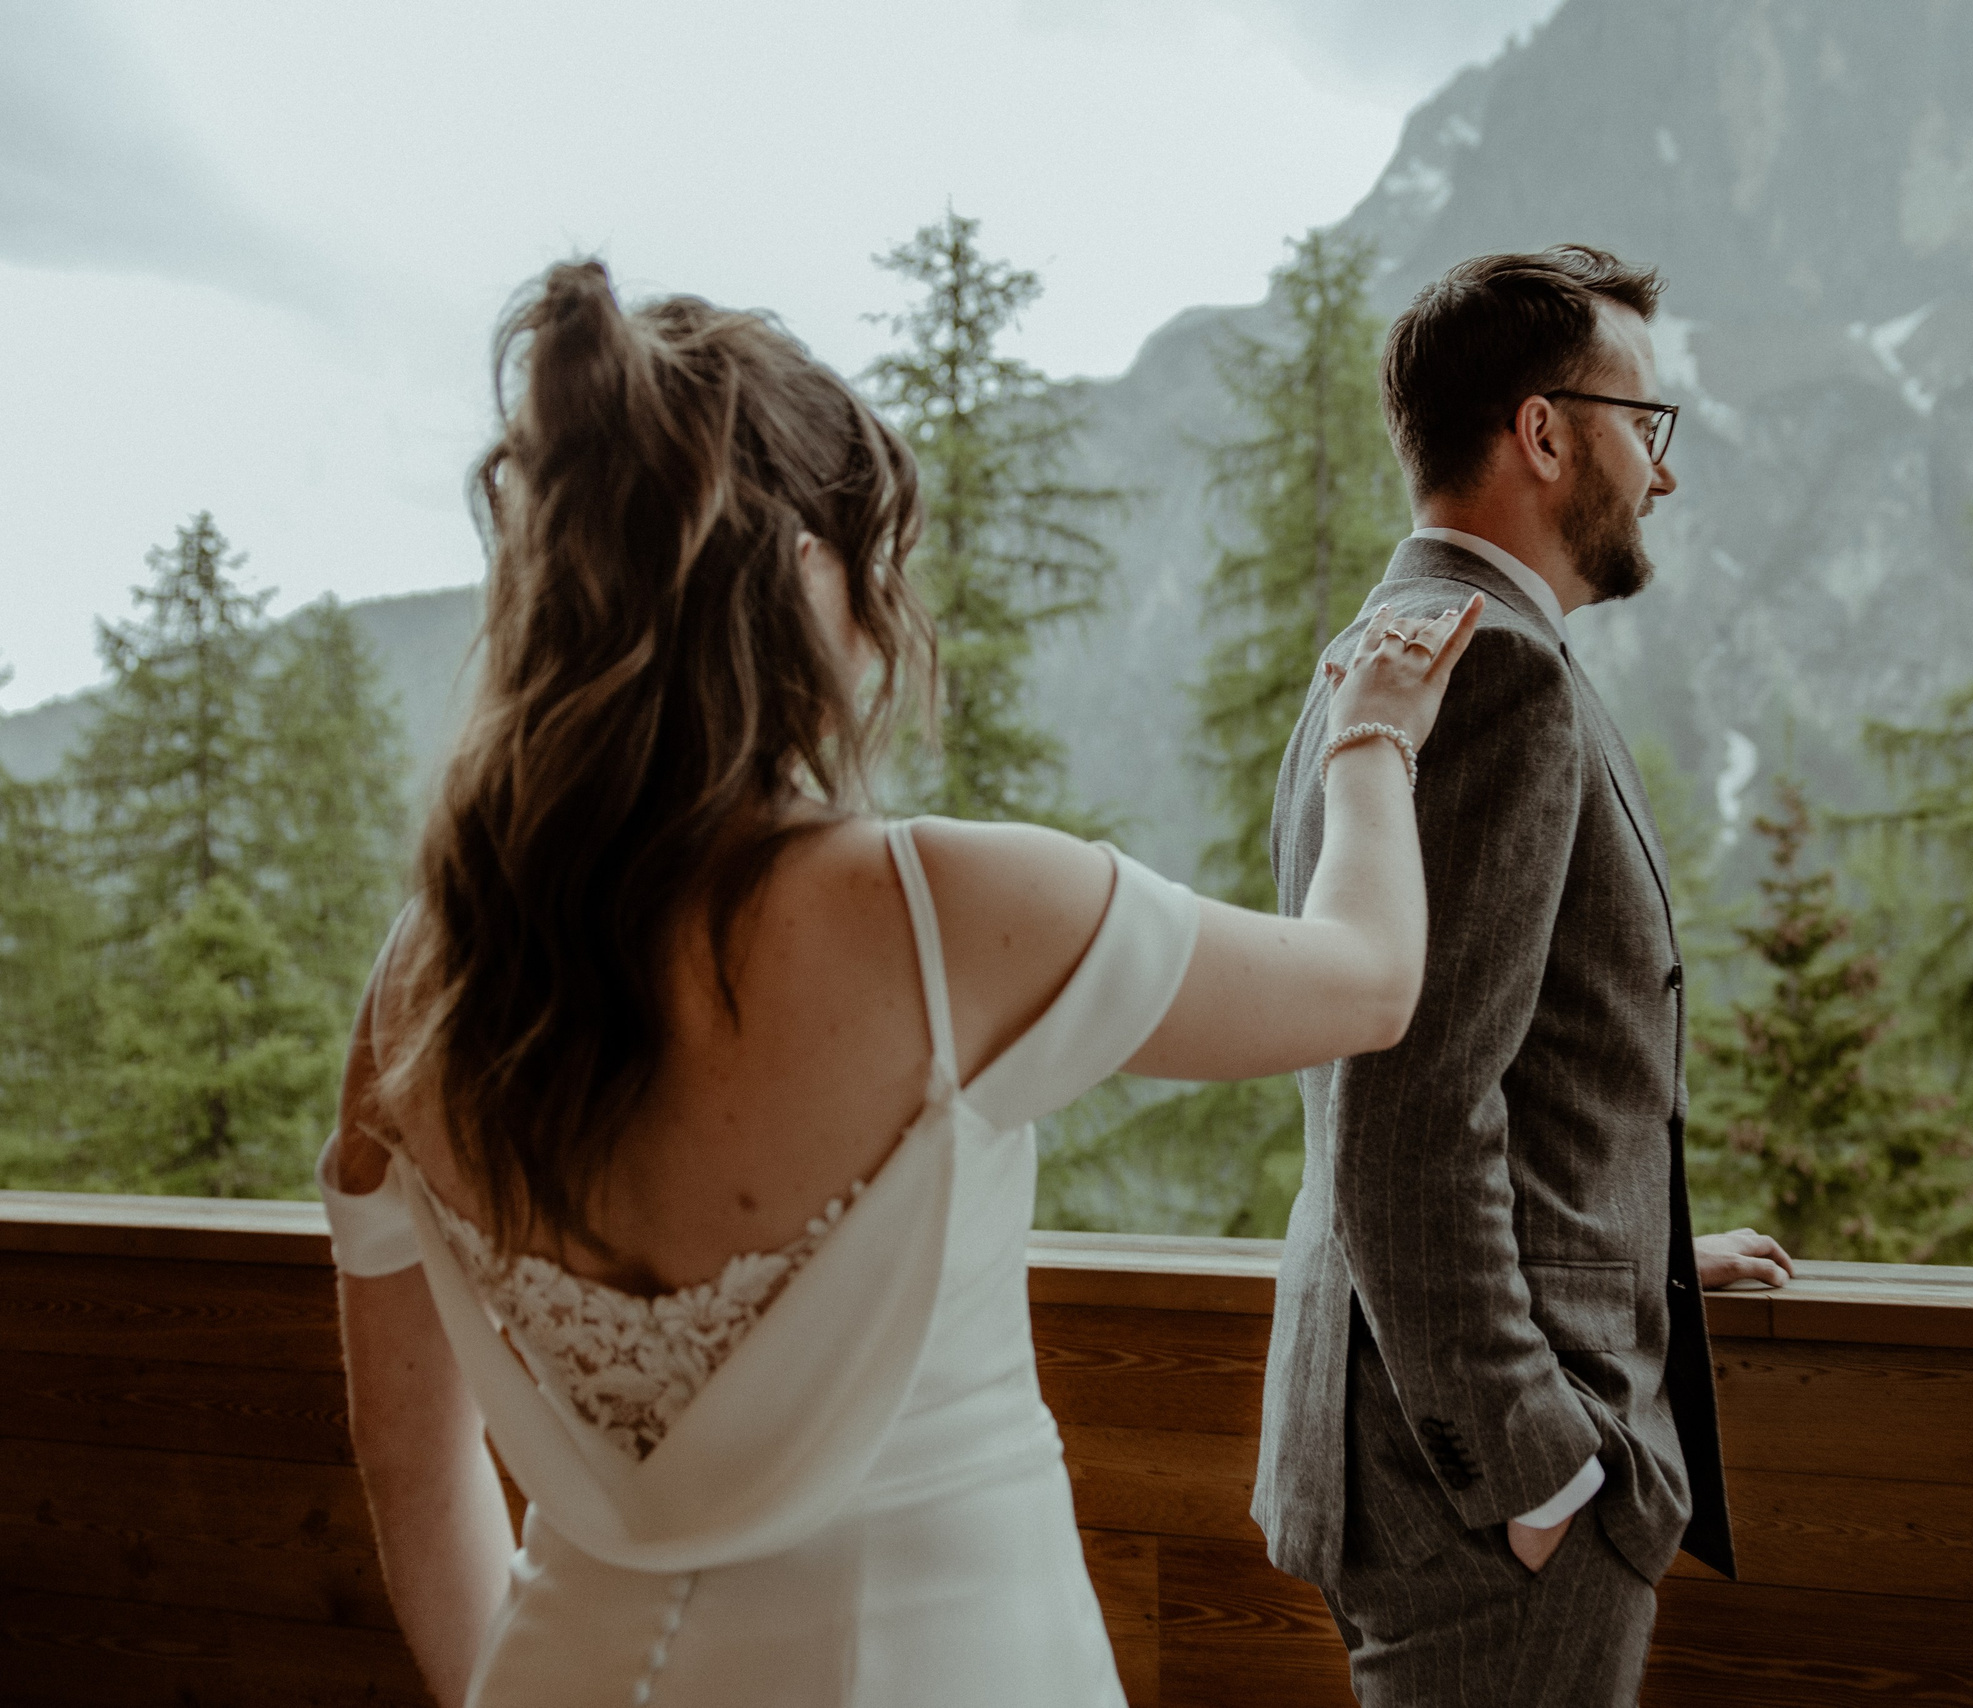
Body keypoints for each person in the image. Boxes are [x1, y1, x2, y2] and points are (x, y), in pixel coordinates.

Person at [316, 259, 1483, 1708]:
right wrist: (1373, 739)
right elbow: (1369, 982)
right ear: (805, 571)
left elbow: (409, 1465)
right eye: (877, 569)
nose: (884, 622)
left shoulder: (421, 984)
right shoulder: (939, 914)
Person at [1251, 246, 1797, 1707]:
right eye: (1646, 426)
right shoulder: (1493, 671)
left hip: (1423, 1455)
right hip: (1485, 1491)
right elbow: (1409, 1106)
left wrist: (1649, 1251)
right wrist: (1537, 1466)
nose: (1662, 476)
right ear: (1543, 433)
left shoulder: (1387, 656)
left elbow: (1508, 1052)